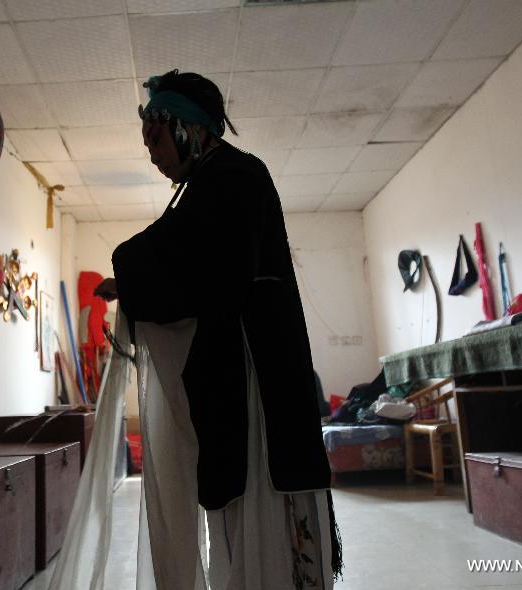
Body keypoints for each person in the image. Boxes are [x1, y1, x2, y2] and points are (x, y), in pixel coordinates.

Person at [95, 70, 340, 589]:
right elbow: (185, 258)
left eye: (155, 137)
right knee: (248, 521)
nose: (152, 153)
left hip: (256, 390)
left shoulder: (233, 176)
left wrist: (131, 274)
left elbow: (188, 260)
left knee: (261, 515)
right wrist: (131, 281)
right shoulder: (213, 185)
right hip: (245, 383)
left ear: (190, 128)